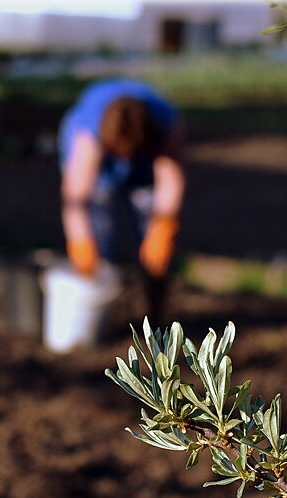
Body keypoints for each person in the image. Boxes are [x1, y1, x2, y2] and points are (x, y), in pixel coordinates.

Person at [58, 78, 185, 324]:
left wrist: (163, 228)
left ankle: (157, 313)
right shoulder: (89, 133)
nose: (124, 159)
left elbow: (170, 179)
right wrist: (81, 244)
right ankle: (98, 314)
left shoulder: (164, 123)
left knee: (156, 251)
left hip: (145, 166)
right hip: (100, 170)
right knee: (99, 233)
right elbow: (76, 200)